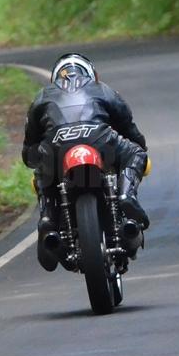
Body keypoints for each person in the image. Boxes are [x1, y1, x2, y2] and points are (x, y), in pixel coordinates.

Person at [22, 53, 149, 271]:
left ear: (55, 77)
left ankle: (47, 219)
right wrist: (139, 145)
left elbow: (28, 150)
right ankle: (127, 194)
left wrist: (38, 160)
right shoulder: (102, 88)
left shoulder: (42, 96)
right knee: (136, 153)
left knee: (42, 172)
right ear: (89, 72)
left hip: (56, 146)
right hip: (98, 138)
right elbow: (128, 126)